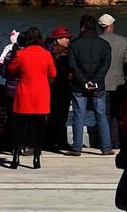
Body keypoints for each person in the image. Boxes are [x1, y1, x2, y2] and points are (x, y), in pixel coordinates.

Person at [7, 27, 56, 169]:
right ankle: (36, 158)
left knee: (19, 129)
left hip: (24, 95)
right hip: (41, 96)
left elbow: (11, 70)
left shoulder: (21, 54)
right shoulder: (46, 55)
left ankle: (15, 157)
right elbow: (53, 73)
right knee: (39, 129)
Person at [65, 16, 112, 156]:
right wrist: (95, 81)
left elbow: (73, 65)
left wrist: (84, 81)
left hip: (79, 86)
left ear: (82, 27)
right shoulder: (104, 44)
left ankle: (77, 147)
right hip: (99, 85)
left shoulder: (74, 44)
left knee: (79, 115)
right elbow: (105, 65)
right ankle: (106, 147)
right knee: (101, 115)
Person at [100, 14, 127, 151]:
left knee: (103, 114)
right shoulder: (123, 41)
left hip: (102, 82)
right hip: (119, 82)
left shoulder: (97, 40)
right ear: (112, 26)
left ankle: (104, 142)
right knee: (116, 114)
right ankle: (116, 141)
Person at [45, 26, 72, 152]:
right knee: (60, 116)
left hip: (53, 88)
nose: (67, 40)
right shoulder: (63, 56)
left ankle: (51, 141)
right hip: (61, 88)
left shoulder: (51, 53)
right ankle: (59, 141)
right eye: (64, 38)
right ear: (57, 40)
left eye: (68, 38)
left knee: (54, 116)